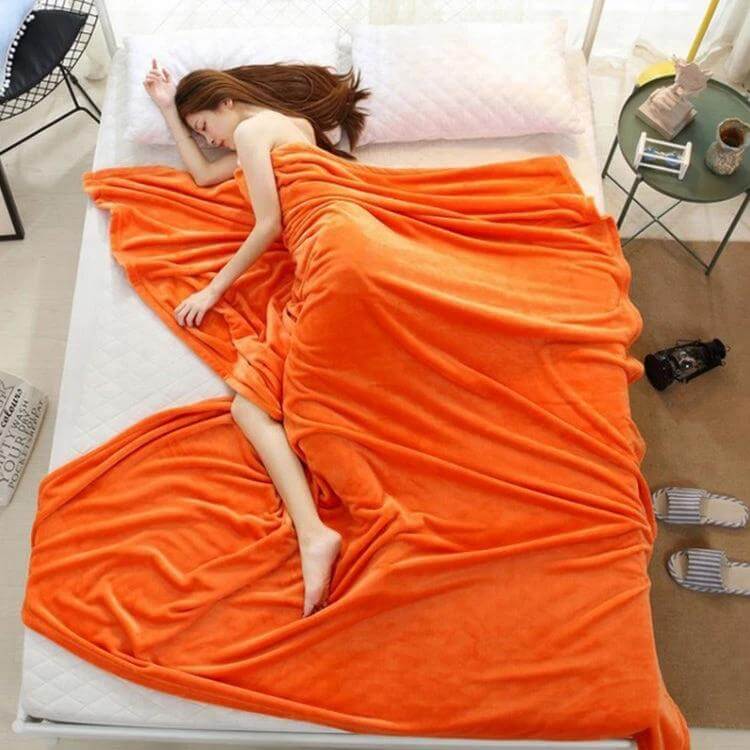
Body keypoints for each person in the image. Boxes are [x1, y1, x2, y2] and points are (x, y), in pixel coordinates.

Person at [143, 58, 371, 617]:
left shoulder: (249, 131)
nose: (210, 141)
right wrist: (170, 111)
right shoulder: (292, 125)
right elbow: (204, 176)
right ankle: (314, 533)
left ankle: (314, 534)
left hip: (328, 253)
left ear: (226, 102)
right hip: (344, 238)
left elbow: (268, 224)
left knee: (250, 405)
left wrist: (211, 290)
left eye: (205, 127)